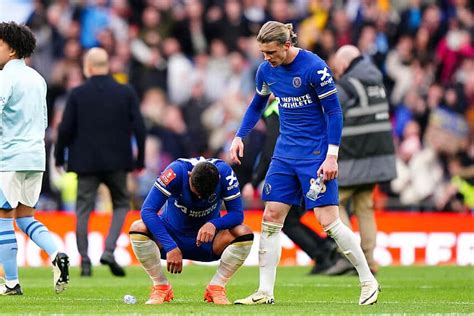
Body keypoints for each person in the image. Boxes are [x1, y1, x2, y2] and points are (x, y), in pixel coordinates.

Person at [229, 21, 380, 305]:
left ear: (287, 45)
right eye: (262, 52)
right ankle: (265, 292)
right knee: (271, 217)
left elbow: (334, 113)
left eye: (271, 52)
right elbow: (256, 105)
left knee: (329, 222)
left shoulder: (315, 68)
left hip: (314, 154)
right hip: (285, 153)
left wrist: (332, 155)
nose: (266, 58)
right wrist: (240, 136)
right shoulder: (266, 70)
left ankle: (368, 279)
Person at [55, 47, 146, 277]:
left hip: (85, 163)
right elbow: (139, 127)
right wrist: (140, 158)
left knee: (83, 209)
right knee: (122, 204)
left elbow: (64, 129)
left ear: (89, 67)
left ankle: (85, 261)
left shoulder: (77, 94)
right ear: (107, 66)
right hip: (117, 161)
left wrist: (58, 156)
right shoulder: (125, 92)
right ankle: (109, 249)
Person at [0, 21, 69, 295]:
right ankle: (56, 253)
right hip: (34, 156)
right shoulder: (38, 79)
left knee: (4, 218)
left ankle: (12, 283)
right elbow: (43, 121)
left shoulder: (5, 77)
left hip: (9, 157)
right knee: (26, 217)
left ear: (13, 50)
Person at [129, 157, 253, 305]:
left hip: (207, 242)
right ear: (189, 175)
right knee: (138, 228)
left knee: (244, 232)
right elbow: (148, 211)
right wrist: (170, 246)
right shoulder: (175, 172)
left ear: (218, 180)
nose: (199, 197)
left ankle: (216, 287)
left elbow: (237, 214)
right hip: (172, 236)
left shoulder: (226, 174)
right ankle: (161, 286)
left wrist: (214, 224)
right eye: (195, 192)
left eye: (204, 195)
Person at [324, 45, 397, 276]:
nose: (337, 73)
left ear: (344, 64)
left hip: (355, 157)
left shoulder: (347, 84)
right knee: (365, 207)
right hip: (379, 156)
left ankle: (349, 255)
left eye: (337, 69)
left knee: (330, 203)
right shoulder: (377, 82)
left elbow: (328, 110)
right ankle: (369, 260)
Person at [241, 99, 337, 274]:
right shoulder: (296, 101)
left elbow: (270, 150)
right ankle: (325, 249)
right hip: (315, 162)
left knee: (287, 220)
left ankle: (325, 252)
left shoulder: (275, 110)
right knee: (294, 218)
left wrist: (254, 182)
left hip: (299, 169)